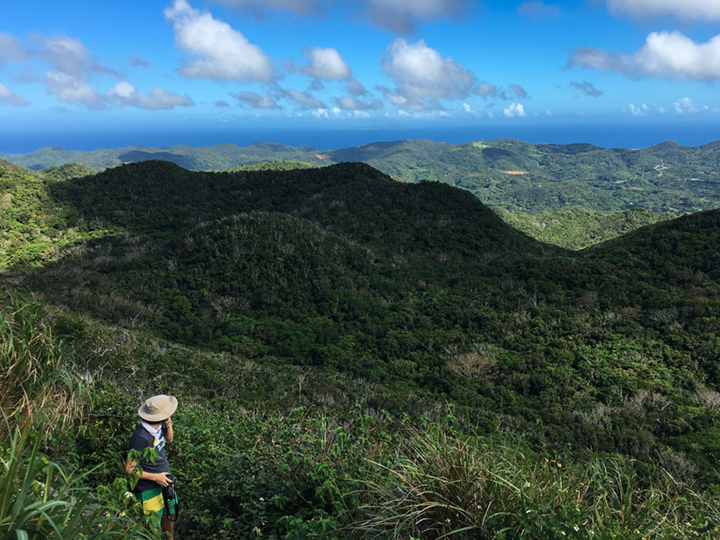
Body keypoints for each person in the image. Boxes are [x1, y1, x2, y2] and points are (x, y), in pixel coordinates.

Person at [124, 394, 178, 539]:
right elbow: (129, 469)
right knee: (151, 529)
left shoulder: (157, 427)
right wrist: (155, 477)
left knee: (169, 514)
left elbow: (169, 439)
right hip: (148, 489)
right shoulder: (141, 437)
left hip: (165, 482)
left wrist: (168, 424)